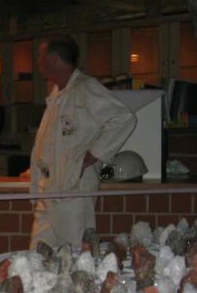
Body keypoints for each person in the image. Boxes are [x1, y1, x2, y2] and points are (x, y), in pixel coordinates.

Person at [29, 37, 136, 249]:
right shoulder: (56, 95)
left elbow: (124, 119)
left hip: (73, 193)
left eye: (41, 57)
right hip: (47, 193)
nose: (38, 62)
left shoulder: (85, 88)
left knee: (75, 254)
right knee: (37, 256)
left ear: (55, 59)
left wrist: (92, 156)